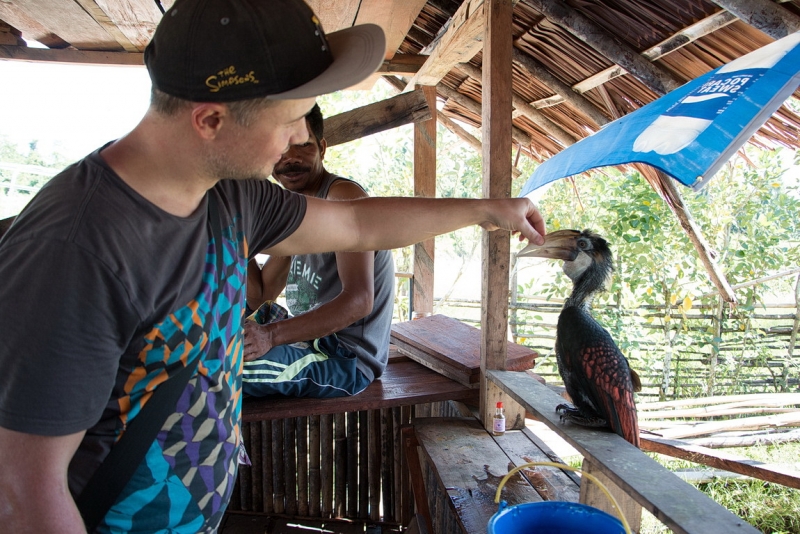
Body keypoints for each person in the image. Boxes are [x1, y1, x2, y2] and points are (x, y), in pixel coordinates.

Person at [0, 0, 545, 532]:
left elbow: (356, 225)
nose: (298, 139)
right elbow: (24, 492)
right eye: (287, 120)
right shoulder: (75, 251)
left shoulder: (232, 196)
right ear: (211, 119)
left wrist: (486, 210)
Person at [242, 104, 395, 398]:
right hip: (307, 341)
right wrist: (236, 230)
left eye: (303, 145)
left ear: (322, 148)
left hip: (344, 358)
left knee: (215, 368)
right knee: (207, 336)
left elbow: (359, 301)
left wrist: (271, 336)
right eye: (280, 148)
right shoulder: (293, 209)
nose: (291, 159)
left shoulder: (342, 197)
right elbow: (261, 295)